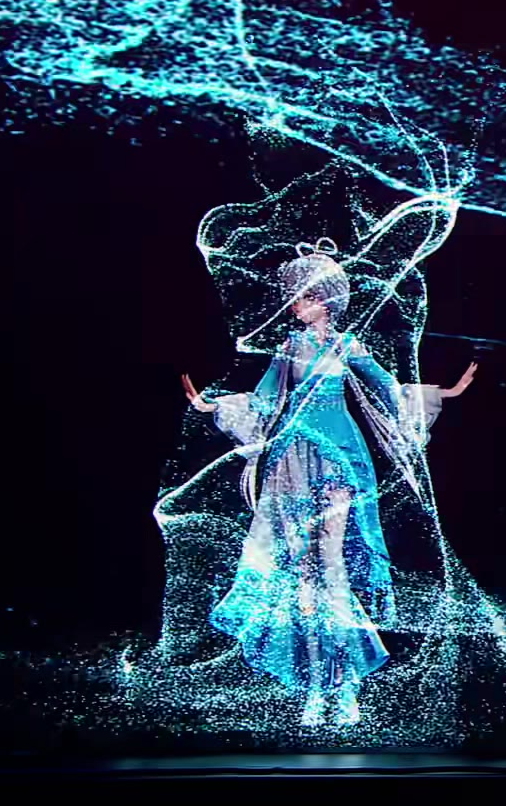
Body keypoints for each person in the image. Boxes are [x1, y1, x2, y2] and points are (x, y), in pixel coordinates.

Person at [182, 240, 477, 726]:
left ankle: (344, 686)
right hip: (293, 459)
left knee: (330, 566)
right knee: (302, 572)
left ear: (324, 300)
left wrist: (443, 392)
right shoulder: (288, 347)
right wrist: (213, 405)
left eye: (304, 297)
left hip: (338, 457)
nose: (296, 305)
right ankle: (316, 688)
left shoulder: (347, 345)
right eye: (295, 297)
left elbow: (388, 389)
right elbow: (264, 398)